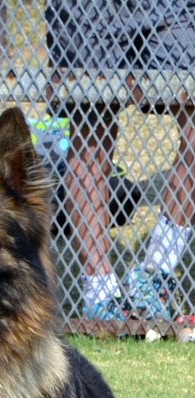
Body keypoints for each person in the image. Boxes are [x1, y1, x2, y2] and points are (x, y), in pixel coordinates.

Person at [47, 0, 195, 322]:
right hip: (88, 9)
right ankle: (101, 294)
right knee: (91, 135)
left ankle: (157, 275)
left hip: (171, 5)